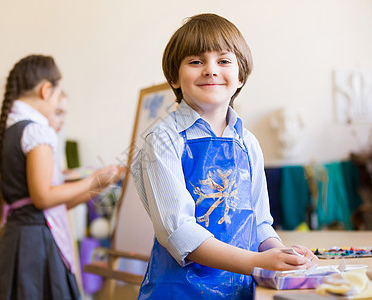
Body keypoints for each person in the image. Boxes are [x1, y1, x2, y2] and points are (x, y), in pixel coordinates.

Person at [131, 14, 318, 299]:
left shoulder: (248, 141)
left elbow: (260, 223)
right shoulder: (162, 140)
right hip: (179, 291)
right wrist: (257, 262)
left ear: (240, 75)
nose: (210, 70)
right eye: (196, 61)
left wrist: (281, 253)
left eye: (224, 61)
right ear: (174, 77)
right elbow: (180, 235)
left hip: (240, 289)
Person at [0, 55, 124, 300]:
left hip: (14, 242)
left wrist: (95, 186)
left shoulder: (4, 132)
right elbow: (43, 197)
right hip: (35, 249)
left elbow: (43, 204)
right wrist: (92, 181)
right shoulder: (37, 131)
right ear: (46, 89)